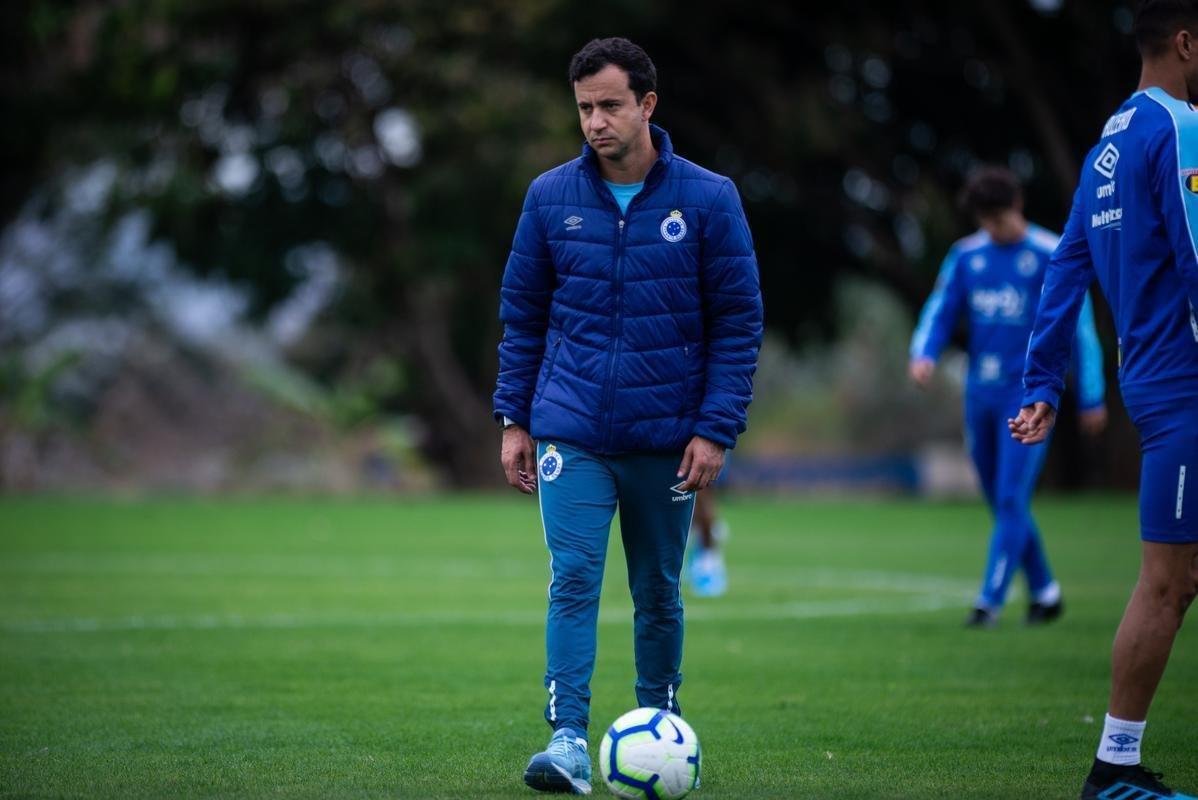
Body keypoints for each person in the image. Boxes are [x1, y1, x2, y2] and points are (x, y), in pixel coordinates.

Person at [493, 37, 763, 795]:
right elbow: (522, 317)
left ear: (647, 104)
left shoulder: (710, 199)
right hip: (570, 429)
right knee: (573, 576)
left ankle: (661, 727)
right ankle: (568, 741)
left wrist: (716, 429)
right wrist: (514, 418)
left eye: (610, 105)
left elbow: (738, 324)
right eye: (584, 108)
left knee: (657, 588)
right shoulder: (549, 198)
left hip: (667, 437)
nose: (596, 122)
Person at [1010, 2, 1198, 797]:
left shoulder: (1106, 148)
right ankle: (1114, 767)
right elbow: (1195, 256)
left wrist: (1042, 382)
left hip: (1149, 386)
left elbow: (1063, 272)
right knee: (1168, 581)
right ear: (1188, 43)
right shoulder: (1180, 128)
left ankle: (1116, 765)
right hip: (1188, 385)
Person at [909, 166, 1108, 628]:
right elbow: (940, 309)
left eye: (998, 219)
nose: (992, 229)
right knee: (1001, 501)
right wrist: (924, 352)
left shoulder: (1049, 252)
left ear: (1017, 206)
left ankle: (988, 602)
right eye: (984, 221)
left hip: (1027, 397)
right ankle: (1046, 591)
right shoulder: (966, 257)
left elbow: (1080, 331)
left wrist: (1092, 396)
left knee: (1011, 499)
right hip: (979, 394)